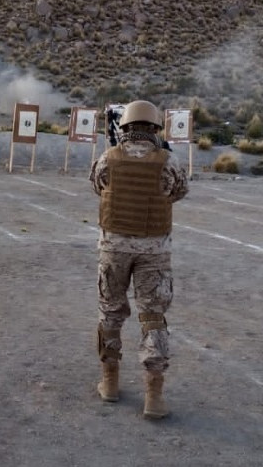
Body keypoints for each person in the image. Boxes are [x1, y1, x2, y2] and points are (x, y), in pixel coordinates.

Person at [89, 100, 189, 419]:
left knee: (111, 312)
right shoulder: (168, 160)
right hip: (154, 249)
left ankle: (110, 382)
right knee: (152, 317)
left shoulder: (108, 157)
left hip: (113, 246)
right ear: (155, 128)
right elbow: (179, 191)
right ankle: (154, 396)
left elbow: (98, 186)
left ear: (126, 127)